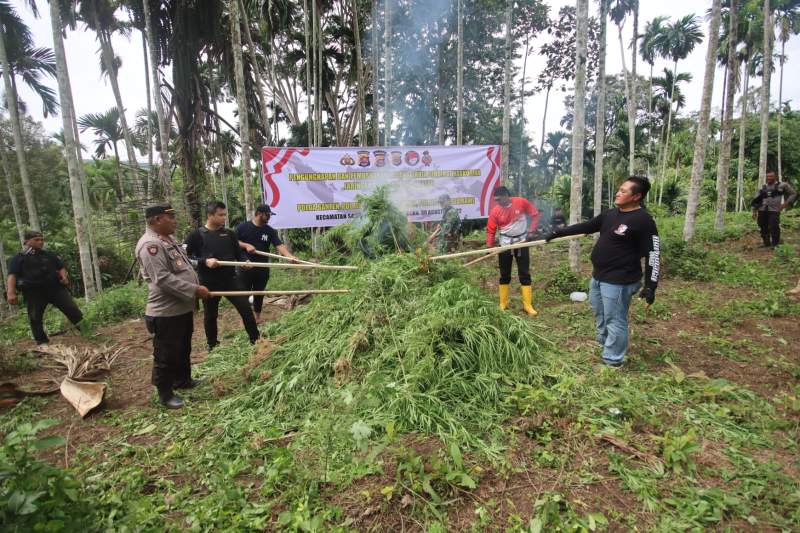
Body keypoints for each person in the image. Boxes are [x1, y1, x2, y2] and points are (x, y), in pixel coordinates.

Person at [547, 176, 660, 367]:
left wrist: (651, 285)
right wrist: (559, 232)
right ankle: (605, 343)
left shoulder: (643, 220)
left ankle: (612, 360)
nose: (618, 193)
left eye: (624, 191)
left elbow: (654, 253)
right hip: (599, 276)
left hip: (619, 280)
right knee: (599, 312)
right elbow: (587, 226)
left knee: (615, 318)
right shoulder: (610, 214)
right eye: (619, 189)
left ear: (637, 196)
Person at [136, 204, 210, 409]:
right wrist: (195, 290)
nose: (175, 221)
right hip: (165, 312)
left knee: (183, 347)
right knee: (166, 353)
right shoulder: (150, 245)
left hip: (181, 308)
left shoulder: (169, 240)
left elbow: (183, 266)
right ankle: (165, 393)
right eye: (171, 217)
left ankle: (183, 380)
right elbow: (162, 279)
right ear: (158, 220)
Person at [185, 201, 260, 350]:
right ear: (210, 215)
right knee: (211, 315)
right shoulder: (196, 235)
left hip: (231, 279)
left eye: (224, 214)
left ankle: (256, 341)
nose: (224, 218)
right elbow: (186, 258)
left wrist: (245, 261)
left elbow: (239, 254)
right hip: (209, 282)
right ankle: (212, 345)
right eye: (220, 215)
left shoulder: (230, 234)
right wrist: (204, 261)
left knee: (245, 309)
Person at [6, 230, 84, 345]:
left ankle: (87, 330)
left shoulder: (49, 255)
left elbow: (61, 267)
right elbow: (12, 275)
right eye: (36, 240)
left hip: (55, 289)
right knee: (35, 317)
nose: (40, 242)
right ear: (26, 241)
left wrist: (64, 277)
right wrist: (10, 292)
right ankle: (42, 342)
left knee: (72, 309)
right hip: (34, 292)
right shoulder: (18, 258)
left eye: (42, 239)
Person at [235, 205, 299, 320]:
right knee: (244, 294)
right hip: (245, 266)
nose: (269, 217)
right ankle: (244, 319)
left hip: (262, 267)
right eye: (267, 215)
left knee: (259, 293)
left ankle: (257, 318)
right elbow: (234, 242)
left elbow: (279, 245)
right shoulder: (242, 227)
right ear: (259, 213)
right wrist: (246, 245)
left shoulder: (269, 230)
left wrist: (290, 257)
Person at [486, 186, 541, 316]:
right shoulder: (495, 211)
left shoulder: (521, 202)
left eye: (499, 199)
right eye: (496, 200)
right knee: (504, 274)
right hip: (505, 245)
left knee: (524, 273)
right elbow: (491, 229)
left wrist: (532, 231)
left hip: (522, 242)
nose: (497, 202)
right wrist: (489, 246)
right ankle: (503, 303)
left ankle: (528, 305)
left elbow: (535, 215)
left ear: (506, 195)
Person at [750, 171, 796, 248]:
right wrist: (754, 211)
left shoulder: (782, 185)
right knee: (762, 226)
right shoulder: (763, 187)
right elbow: (756, 200)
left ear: (775, 177)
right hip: (762, 209)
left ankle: (775, 244)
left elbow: (793, 193)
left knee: (774, 226)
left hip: (774, 210)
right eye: (767, 176)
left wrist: (785, 204)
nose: (769, 178)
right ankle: (766, 243)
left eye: (771, 176)